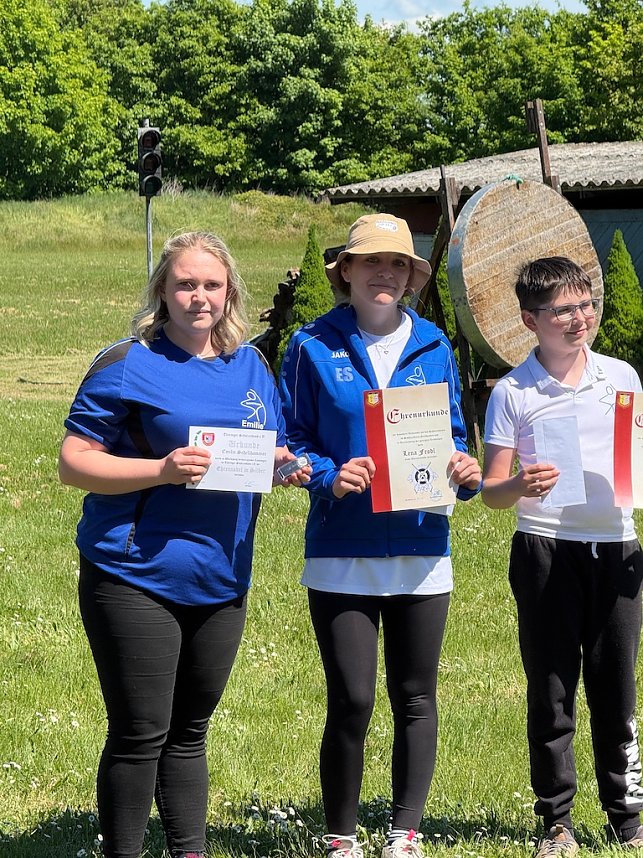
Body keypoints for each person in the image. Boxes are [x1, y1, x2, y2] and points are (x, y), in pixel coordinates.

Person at [58, 231, 308, 858]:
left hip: (222, 576)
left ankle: (189, 850)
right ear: (163, 292)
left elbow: (262, 450)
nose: (200, 297)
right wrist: (161, 471)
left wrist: (282, 465)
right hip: (135, 570)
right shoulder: (126, 362)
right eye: (185, 284)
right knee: (142, 731)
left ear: (230, 294)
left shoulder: (250, 365)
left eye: (212, 285)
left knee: (191, 733)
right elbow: (73, 463)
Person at [279, 213, 482, 858]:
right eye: (372, 263)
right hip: (342, 547)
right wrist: (327, 475)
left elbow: (451, 434)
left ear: (411, 276)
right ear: (347, 272)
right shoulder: (311, 344)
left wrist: (465, 468)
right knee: (354, 698)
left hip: (422, 545)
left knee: (415, 695)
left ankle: (405, 833)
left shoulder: (436, 346)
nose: (385, 274)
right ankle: (340, 835)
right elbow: (288, 444)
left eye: (397, 264)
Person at [482, 256, 643, 857]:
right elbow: (492, 491)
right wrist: (521, 484)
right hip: (546, 548)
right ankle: (556, 821)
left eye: (587, 305)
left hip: (618, 545)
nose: (580, 320)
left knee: (617, 687)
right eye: (563, 311)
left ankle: (627, 815)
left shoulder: (622, 376)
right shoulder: (513, 392)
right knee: (551, 687)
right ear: (530, 318)